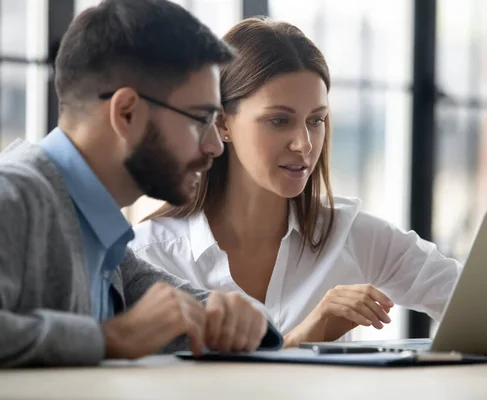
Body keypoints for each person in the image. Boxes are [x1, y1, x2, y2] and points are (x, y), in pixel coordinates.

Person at [130, 17, 462, 348]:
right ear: (222, 123)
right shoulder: (150, 255)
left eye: (316, 120)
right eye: (279, 121)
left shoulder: (351, 236)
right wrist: (301, 339)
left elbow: (477, 305)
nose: (304, 144)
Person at [0, 0, 282, 368]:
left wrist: (243, 319)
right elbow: (132, 332)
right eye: (201, 119)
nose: (215, 145)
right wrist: (112, 338)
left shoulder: (106, 243)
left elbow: (189, 314)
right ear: (127, 113)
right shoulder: (12, 196)